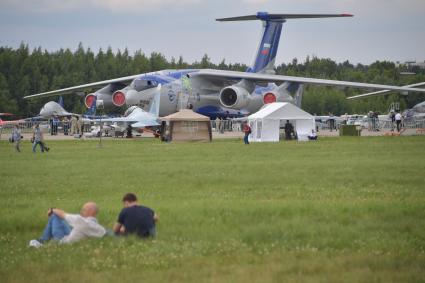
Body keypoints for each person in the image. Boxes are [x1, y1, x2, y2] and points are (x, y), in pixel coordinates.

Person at [29, 202, 106, 248]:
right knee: (59, 219)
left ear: (89, 212)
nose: (81, 212)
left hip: (63, 241)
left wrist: (52, 210)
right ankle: (42, 240)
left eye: (83, 210)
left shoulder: (80, 221)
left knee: (55, 216)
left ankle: (42, 241)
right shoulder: (100, 228)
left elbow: (63, 214)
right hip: (72, 236)